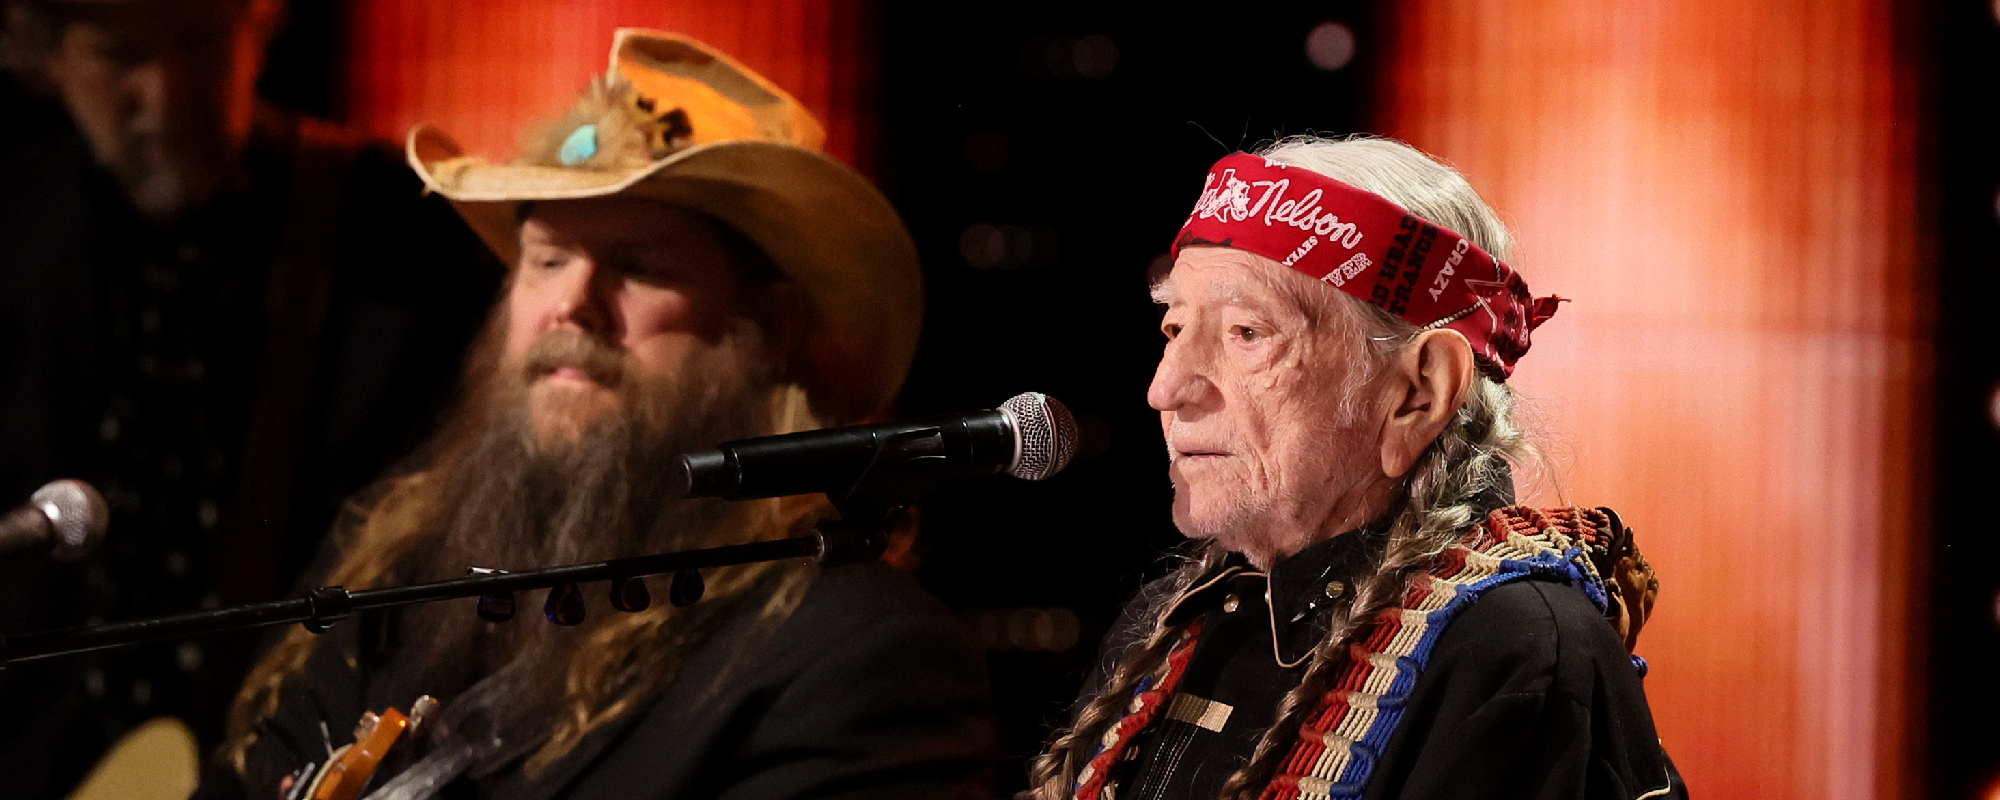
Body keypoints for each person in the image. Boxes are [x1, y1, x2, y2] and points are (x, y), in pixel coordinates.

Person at [203, 29, 992, 800]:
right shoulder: (388, 559)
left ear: (773, 330)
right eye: (546, 260)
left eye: (636, 266)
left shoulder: (861, 661)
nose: (572, 304)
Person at [1027, 137, 1683, 800]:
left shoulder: (1514, 652)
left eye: (1246, 333)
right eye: (1175, 327)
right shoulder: (1175, 621)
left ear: (1419, 392)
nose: (1166, 390)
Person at [0, 0, 498, 793]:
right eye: (119, 54)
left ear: (258, 32)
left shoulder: (406, 241)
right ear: (45, 55)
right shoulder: (12, 229)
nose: (165, 95)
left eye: (199, 42)